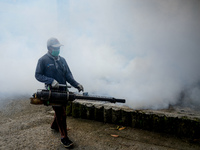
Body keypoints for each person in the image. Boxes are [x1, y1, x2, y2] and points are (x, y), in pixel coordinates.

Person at [35, 37, 84, 148]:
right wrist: (50, 81)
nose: (58, 50)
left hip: (63, 90)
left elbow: (68, 75)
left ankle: (54, 126)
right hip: (52, 92)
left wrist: (76, 84)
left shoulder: (62, 60)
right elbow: (38, 75)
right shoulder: (43, 60)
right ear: (49, 48)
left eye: (59, 47)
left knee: (60, 111)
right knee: (61, 113)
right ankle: (64, 138)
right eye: (56, 48)